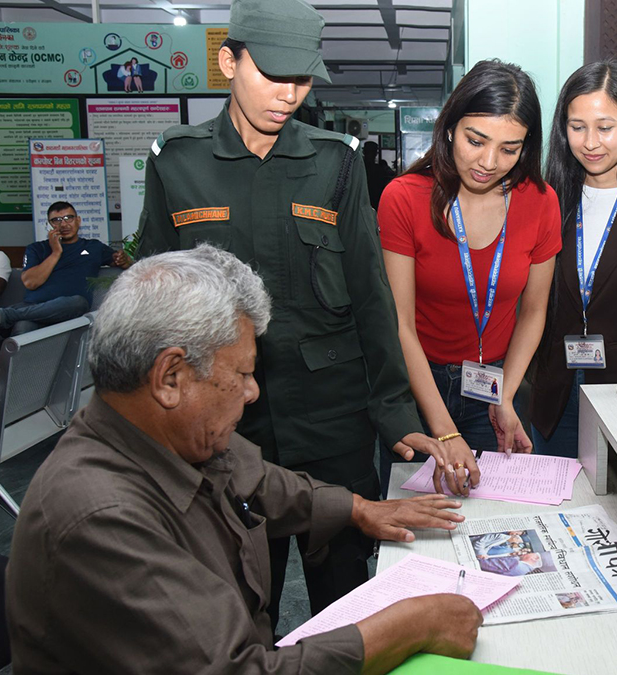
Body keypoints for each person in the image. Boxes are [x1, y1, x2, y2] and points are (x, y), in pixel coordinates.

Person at [6, 245, 483, 674]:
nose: (253, 392)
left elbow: (258, 480)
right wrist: (410, 626)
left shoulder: (160, 431)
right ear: (170, 378)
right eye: (242, 373)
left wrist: (360, 509)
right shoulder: (101, 519)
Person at [136, 0, 450, 624]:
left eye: (302, 80)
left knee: (345, 595)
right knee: (241, 596)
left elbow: (370, 294)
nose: (289, 94)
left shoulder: (335, 161)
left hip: (331, 419)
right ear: (229, 61)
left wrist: (393, 409)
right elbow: (154, 303)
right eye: (273, 75)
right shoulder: (176, 161)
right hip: (226, 426)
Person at [378, 59, 560, 493]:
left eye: (509, 149)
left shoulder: (540, 201)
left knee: (488, 514)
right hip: (417, 384)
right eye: (475, 140)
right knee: (420, 519)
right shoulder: (404, 198)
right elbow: (399, 325)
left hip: (492, 383)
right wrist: (443, 430)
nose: (488, 162)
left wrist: (506, 395)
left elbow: (533, 312)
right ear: (449, 128)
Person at [530, 61, 617, 457]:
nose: (591, 142)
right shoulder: (548, 201)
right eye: (578, 127)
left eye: (605, 127)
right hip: (554, 394)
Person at [0, 201, 131, 335]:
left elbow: (124, 263)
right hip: (32, 309)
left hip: (68, 312)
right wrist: (56, 252)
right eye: (56, 220)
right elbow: (30, 283)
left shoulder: (94, 247)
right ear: (50, 225)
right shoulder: (37, 249)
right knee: (24, 325)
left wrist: (125, 260)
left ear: (78, 220)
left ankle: (4, 315)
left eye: (68, 218)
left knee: (78, 302)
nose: (63, 224)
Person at [362, 140, 395, 209]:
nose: (371, 154)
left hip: (376, 201)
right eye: (369, 152)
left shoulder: (380, 169)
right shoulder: (359, 167)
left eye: (372, 152)